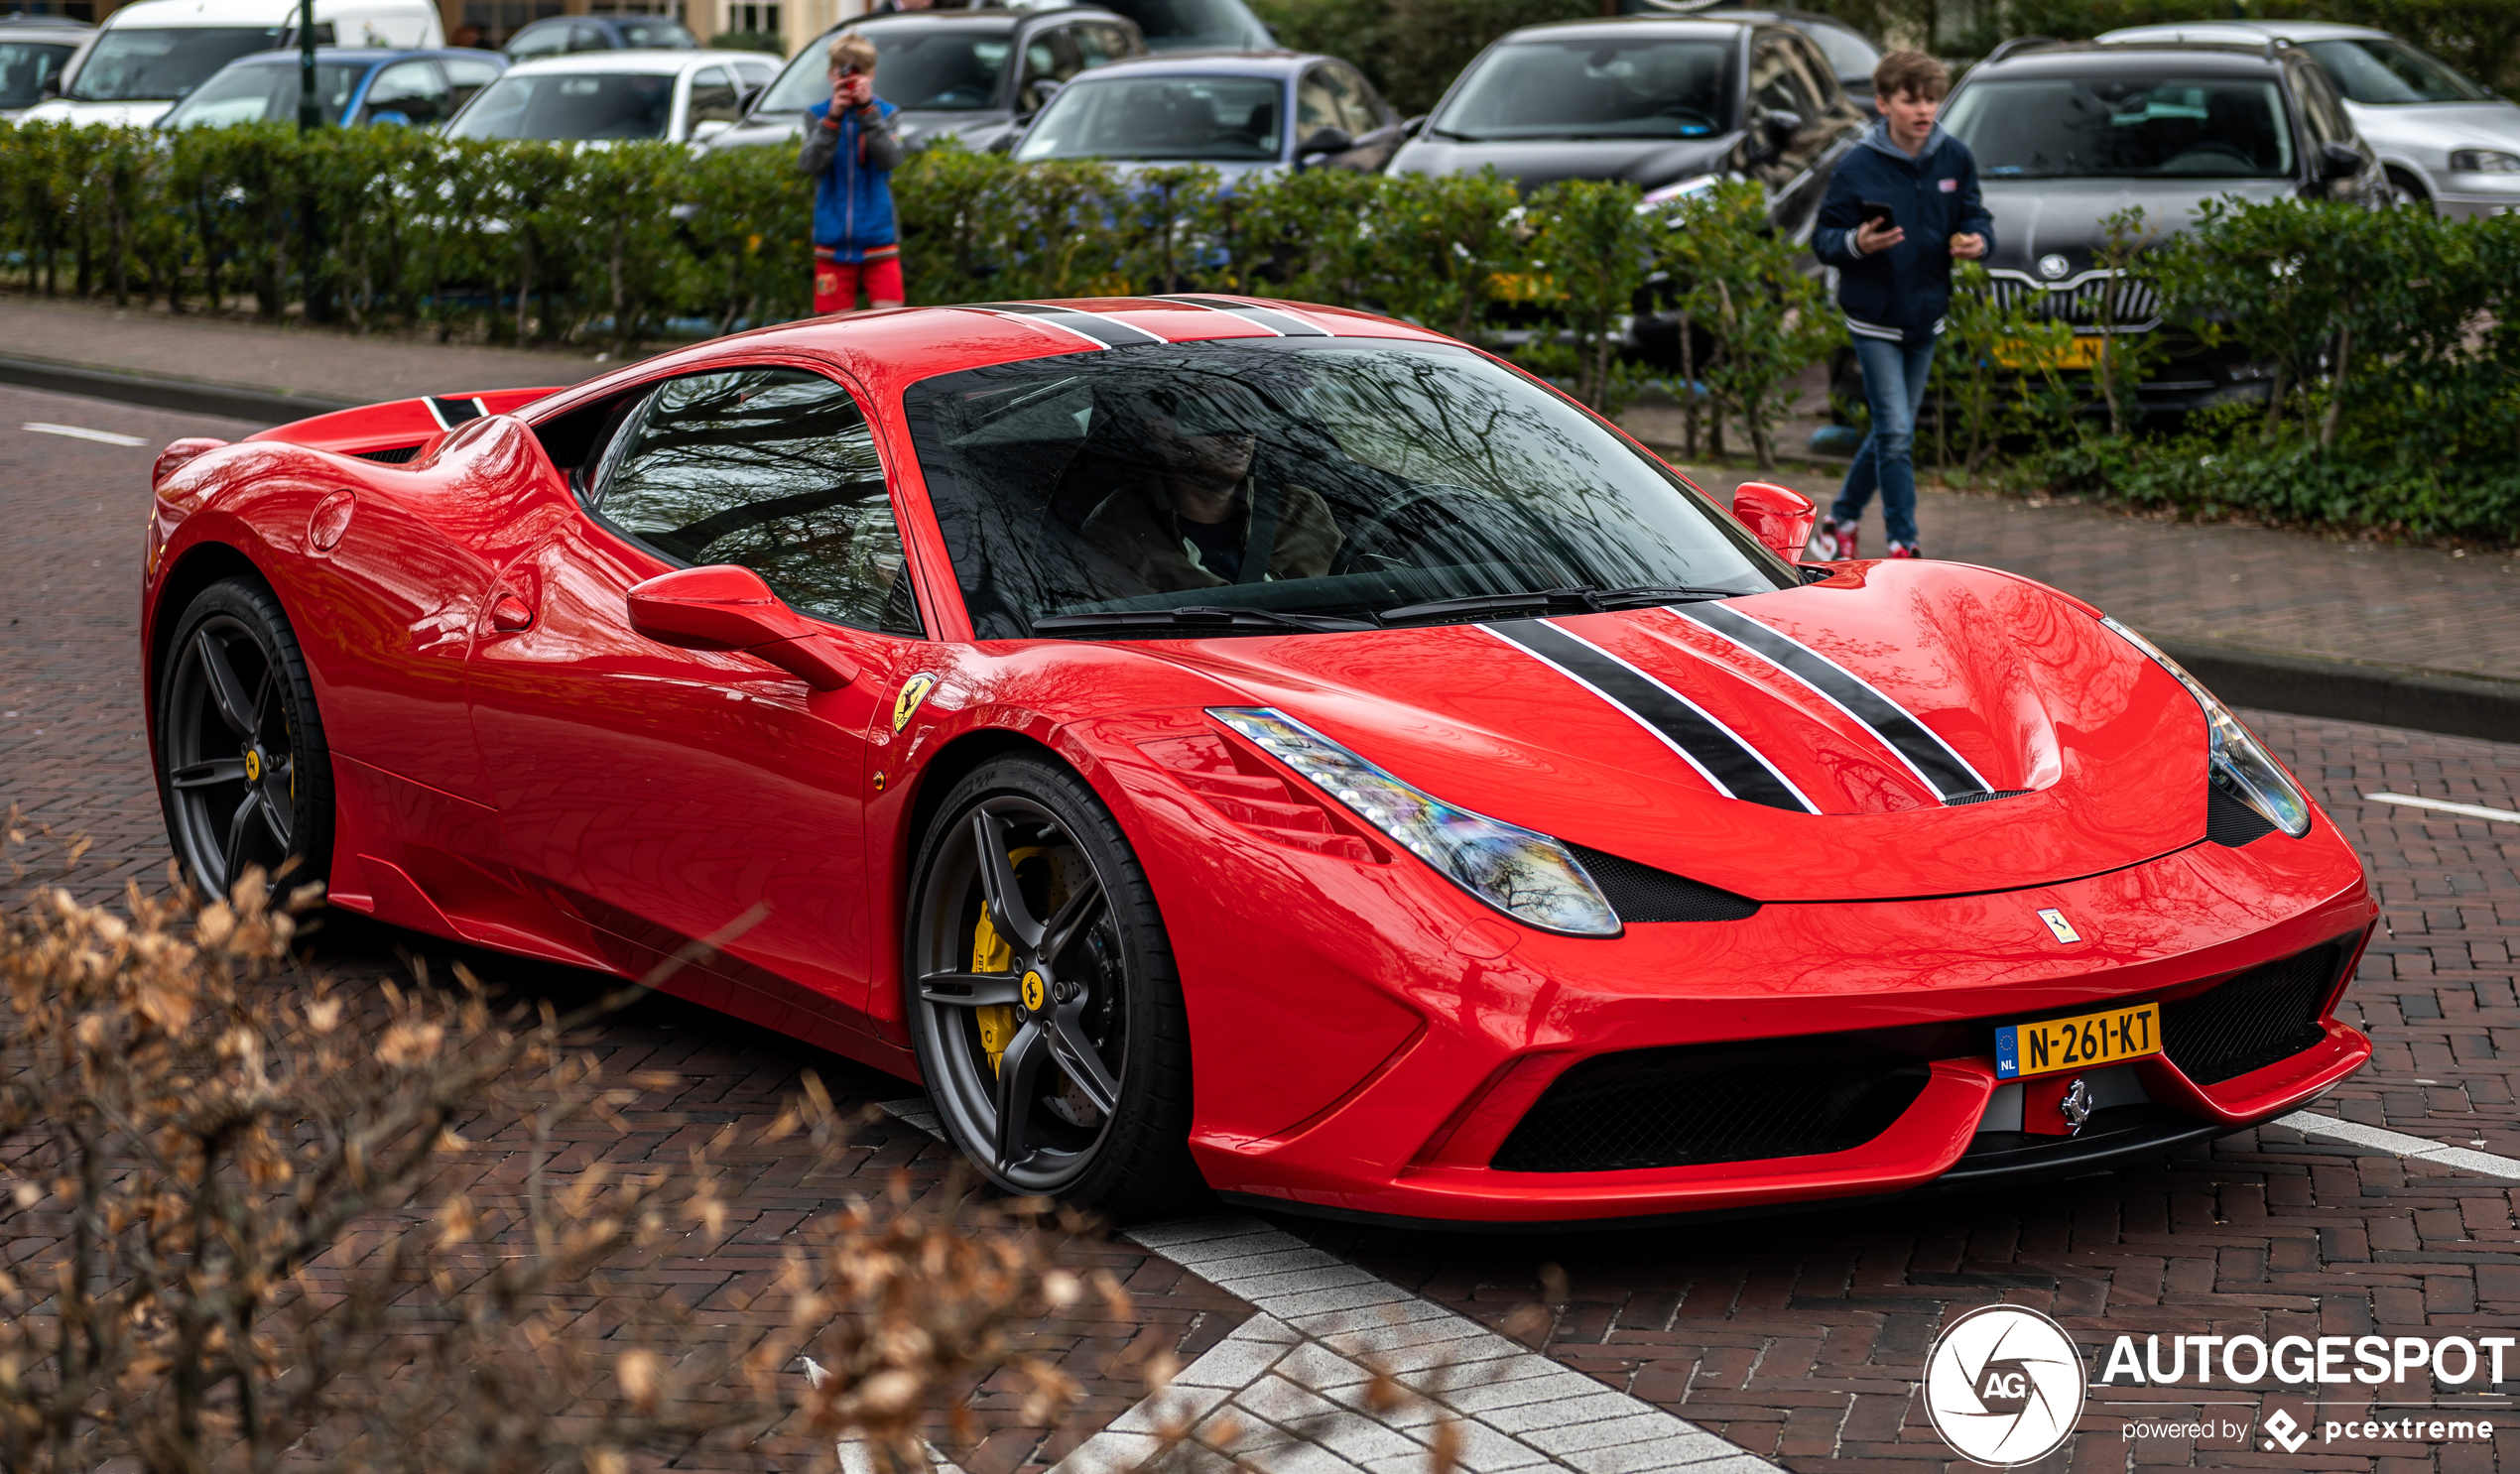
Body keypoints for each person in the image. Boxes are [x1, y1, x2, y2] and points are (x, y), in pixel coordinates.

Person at [1808, 50, 1991, 561]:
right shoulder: (1857, 166)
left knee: (1894, 433)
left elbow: (1977, 215)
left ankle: (1839, 522)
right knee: (1896, 435)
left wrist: (1977, 240)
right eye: (1911, 100)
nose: (1924, 109)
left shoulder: (1955, 157)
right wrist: (1858, 244)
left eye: (1931, 99)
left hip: (1926, 315)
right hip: (1874, 318)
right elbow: (1823, 240)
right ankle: (1904, 543)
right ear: (1885, 103)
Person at [1077, 380, 1343, 593]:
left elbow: (1360, 591)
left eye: (1247, 419)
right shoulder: (1119, 530)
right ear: (1162, 434)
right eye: (1213, 420)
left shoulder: (1300, 510)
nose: (1237, 436)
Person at [798, 33, 906, 314]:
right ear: (831, 73)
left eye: (857, 72)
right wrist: (832, 120)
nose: (848, 79)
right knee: (834, 331)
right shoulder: (817, 114)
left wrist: (868, 114)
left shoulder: (886, 113)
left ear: (871, 74)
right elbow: (809, 164)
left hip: (878, 237)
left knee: (890, 321)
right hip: (832, 241)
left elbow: (891, 159)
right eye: (842, 71)